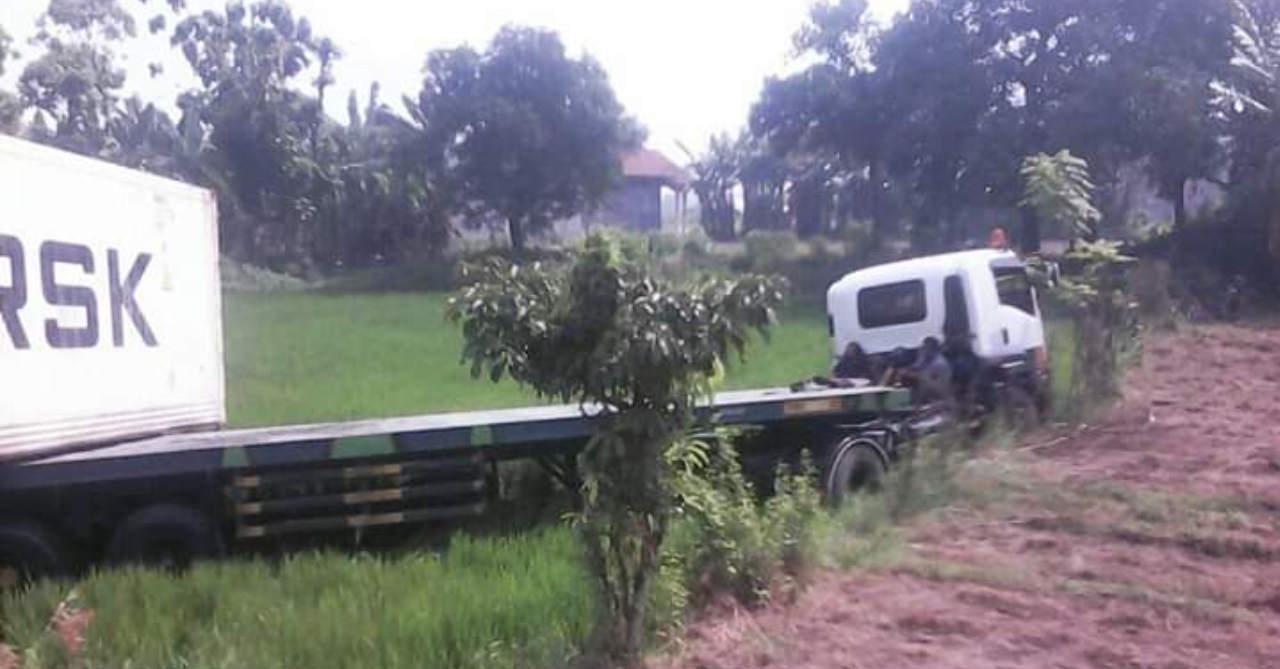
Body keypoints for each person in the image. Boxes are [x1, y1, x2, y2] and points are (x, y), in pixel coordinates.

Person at [901, 337, 953, 405]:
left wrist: (914, 375)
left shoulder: (939, 363)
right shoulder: (925, 359)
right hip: (925, 394)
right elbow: (914, 368)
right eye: (922, 348)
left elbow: (928, 379)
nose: (922, 350)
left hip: (938, 396)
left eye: (925, 348)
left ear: (932, 349)